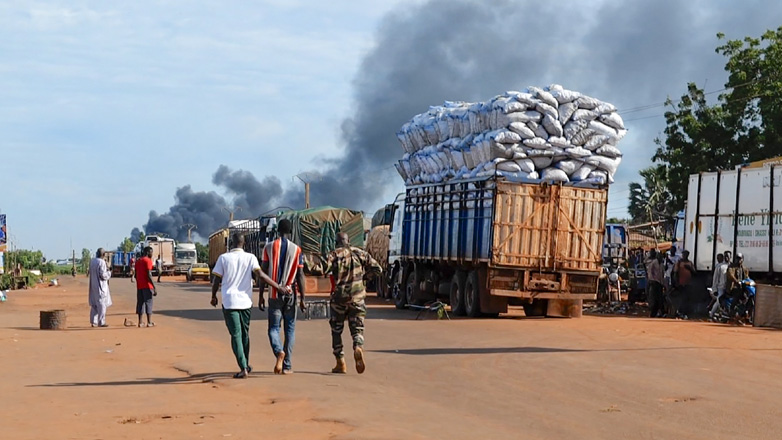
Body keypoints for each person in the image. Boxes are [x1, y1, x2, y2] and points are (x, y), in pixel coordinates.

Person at [211, 233, 288, 379]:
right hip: (246, 303)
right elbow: (261, 275)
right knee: (245, 334)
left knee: (236, 335)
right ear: (244, 244)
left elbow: (216, 280)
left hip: (230, 302)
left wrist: (213, 296)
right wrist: (278, 286)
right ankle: (245, 364)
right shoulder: (250, 257)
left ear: (231, 243)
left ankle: (243, 367)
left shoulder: (223, 258)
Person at [322, 232, 382, 374]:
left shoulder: (334, 255)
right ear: (348, 241)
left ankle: (340, 362)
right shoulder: (360, 253)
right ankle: (358, 346)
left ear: (336, 242)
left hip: (339, 299)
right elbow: (378, 269)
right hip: (357, 298)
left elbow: (322, 269)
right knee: (357, 328)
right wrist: (364, 278)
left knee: (336, 330)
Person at [259, 219, 306, 375]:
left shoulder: (268, 247)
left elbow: (263, 273)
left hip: (274, 294)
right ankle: (287, 366)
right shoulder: (297, 250)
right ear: (290, 232)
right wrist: (303, 298)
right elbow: (300, 275)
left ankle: (279, 351)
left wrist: (261, 295)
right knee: (290, 330)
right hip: (290, 294)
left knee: (273, 328)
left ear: (277, 231)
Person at [88, 248, 112, 327]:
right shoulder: (101, 262)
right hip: (100, 286)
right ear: (103, 255)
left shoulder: (92, 261)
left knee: (94, 304)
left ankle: (93, 321)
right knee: (102, 304)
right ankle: (101, 322)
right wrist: (109, 272)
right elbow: (103, 275)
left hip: (93, 286)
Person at [134, 247, 157, 327]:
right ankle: (149, 322)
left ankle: (140, 322)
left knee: (140, 303)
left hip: (139, 286)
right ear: (147, 252)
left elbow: (136, 275)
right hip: (147, 286)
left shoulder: (138, 261)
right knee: (149, 302)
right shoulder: (148, 261)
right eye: (151, 252)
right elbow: (149, 274)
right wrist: (154, 286)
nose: (152, 254)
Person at [645, 249, 664, 318]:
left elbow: (662, 274)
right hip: (654, 282)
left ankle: (658, 313)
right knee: (654, 298)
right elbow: (650, 272)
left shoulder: (661, 264)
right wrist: (652, 280)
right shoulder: (653, 263)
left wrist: (662, 282)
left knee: (659, 299)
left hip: (660, 283)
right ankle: (653, 313)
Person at [709, 253, 729, 318]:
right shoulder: (719, 266)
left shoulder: (731, 266)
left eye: (728, 256)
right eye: (726, 256)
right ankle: (711, 314)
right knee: (718, 301)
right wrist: (714, 289)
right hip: (721, 287)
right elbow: (715, 278)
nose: (727, 258)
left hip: (728, 288)